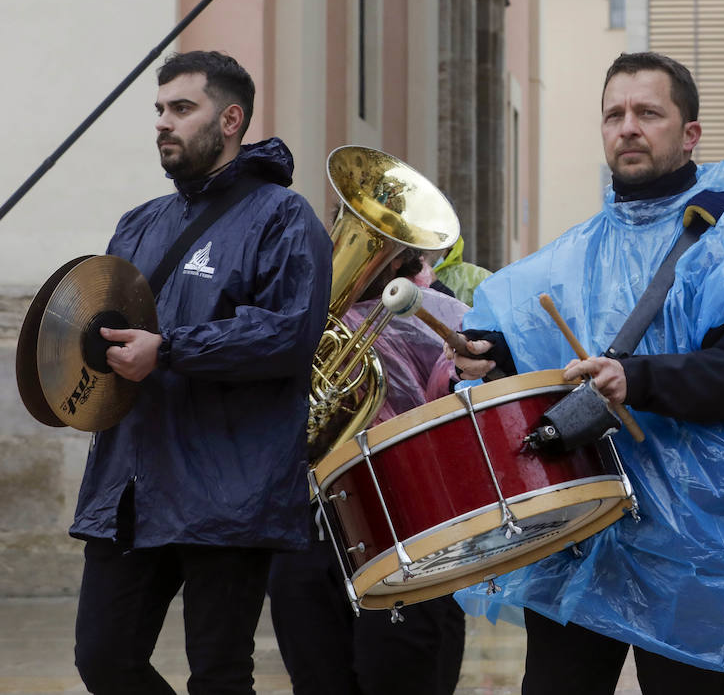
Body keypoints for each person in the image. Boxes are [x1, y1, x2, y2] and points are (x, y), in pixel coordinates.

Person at [447, 51, 724, 693]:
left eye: (648, 112)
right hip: (580, 532)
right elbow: (531, 358)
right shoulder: (570, 256)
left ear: (689, 132)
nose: (628, 127)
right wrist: (490, 354)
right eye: (614, 113)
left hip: (694, 547)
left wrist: (635, 380)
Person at [70, 50, 333, 694]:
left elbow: (287, 333)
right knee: (102, 658)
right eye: (159, 110)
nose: (164, 123)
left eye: (182, 109)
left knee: (218, 675)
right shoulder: (138, 224)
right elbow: (104, 327)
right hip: (129, 484)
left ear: (231, 119)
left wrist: (168, 349)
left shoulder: (284, 217)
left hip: (229, 488)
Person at [267, 247, 469, 695]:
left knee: (399, 676)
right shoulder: (297, 309)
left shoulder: (438, 313)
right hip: (308, 527)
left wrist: (467, 365)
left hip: (404, 530)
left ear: (400, 259)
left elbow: (456, 406)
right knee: (316, 679)